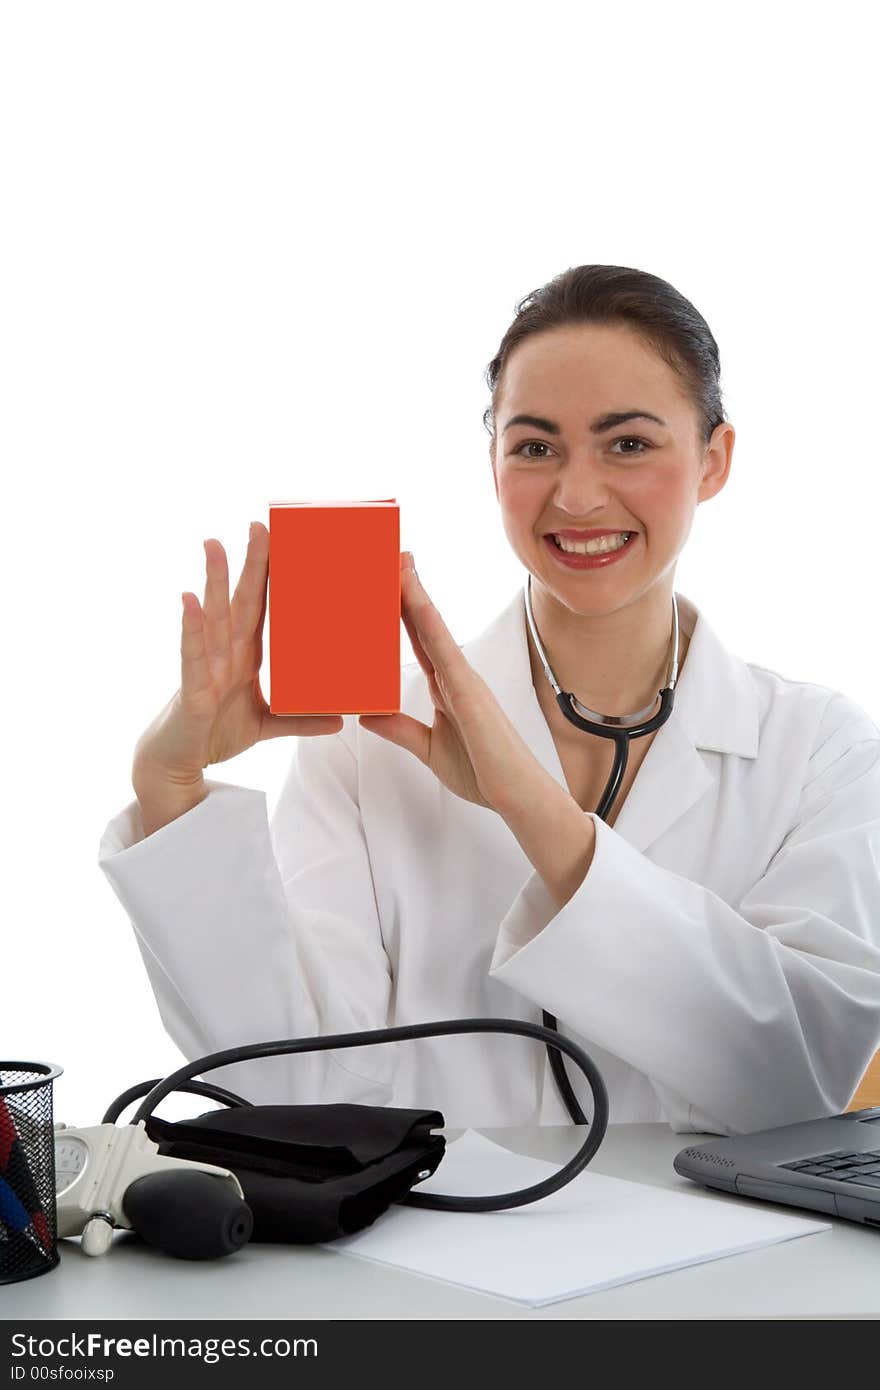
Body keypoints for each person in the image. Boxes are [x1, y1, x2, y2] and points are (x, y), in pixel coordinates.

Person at [98, 264, 880, 1135]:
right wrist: (166, 786)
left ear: (713, 460)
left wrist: (535, 810)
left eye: (628, 443)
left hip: (724, 1262)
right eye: (535, 447)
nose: (577, 495)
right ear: (495, 463)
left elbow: (802, 1082)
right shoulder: (366, 739)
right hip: (429, 1254)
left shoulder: (821, 749)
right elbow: (293, 1093)